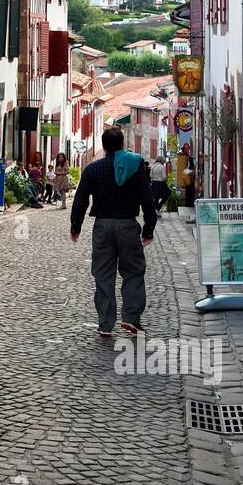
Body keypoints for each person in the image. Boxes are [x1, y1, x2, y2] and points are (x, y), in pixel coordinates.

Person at [69, 127, 157, 338]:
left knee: (103, 274)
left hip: (102, 227)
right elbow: (147, 199)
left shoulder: (93, 169)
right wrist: (148, 229)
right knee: (134, 272)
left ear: (103, 145)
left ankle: (105, 324)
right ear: (122, 144)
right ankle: (131, 318)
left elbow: (80, 199)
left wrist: (76, 226)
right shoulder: (136, 167)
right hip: (127, 225)